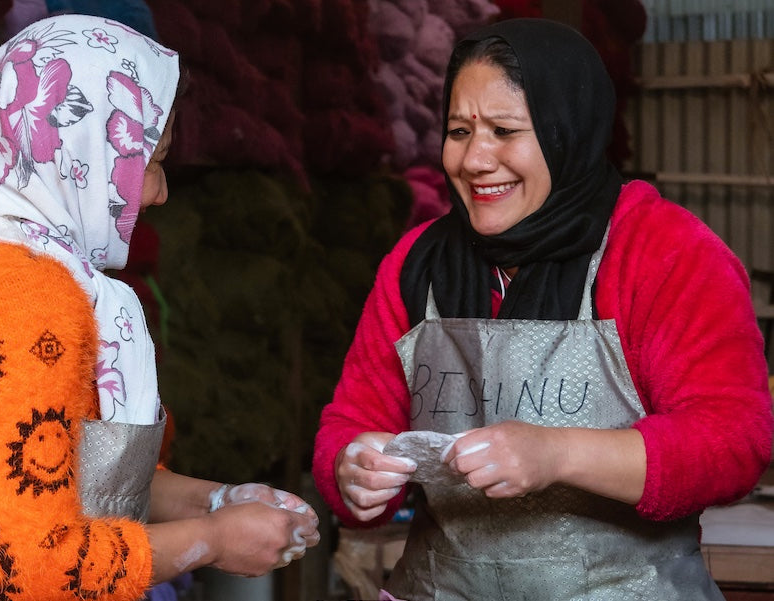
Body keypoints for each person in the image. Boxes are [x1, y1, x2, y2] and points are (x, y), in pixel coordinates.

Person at [313, 17, 773, 600]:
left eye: (504, 130)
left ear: (566, 132)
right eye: (458, 131)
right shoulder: (417, 263)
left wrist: (555, 452)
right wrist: (351, 472)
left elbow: (733, 440)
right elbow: (351, 422)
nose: (474, 160)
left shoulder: (665, 254)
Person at [0, 14, 318, 601]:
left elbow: (71, 473)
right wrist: (210, 539)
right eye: (149, 163)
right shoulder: (21, 296)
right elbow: (31, 567)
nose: (158, 193)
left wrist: (217, 499)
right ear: (80, 158)